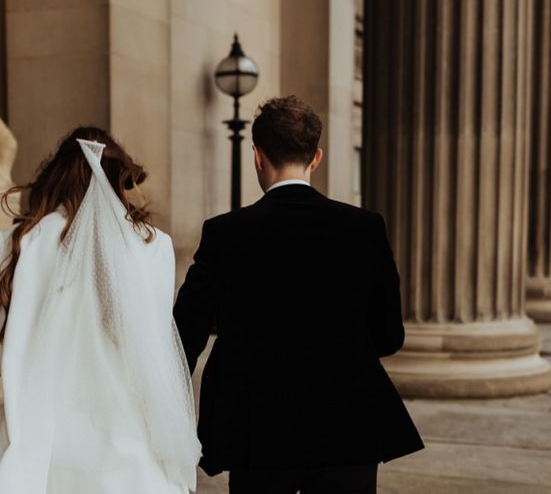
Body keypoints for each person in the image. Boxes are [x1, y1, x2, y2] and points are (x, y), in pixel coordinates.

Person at [0, 127, 201, 493]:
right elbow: (154, 353)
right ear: (118, 178)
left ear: (54, 175)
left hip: (40, 440)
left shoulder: (16, 243)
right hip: (127, 443)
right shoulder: (154, 245)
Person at [173, 96, 424, 493]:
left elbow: (183, 340)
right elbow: (389, 336)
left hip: (258, 429)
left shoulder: (225, 233)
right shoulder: (364, 228)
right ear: (317, 157)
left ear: (257, 156)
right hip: (348, 425)